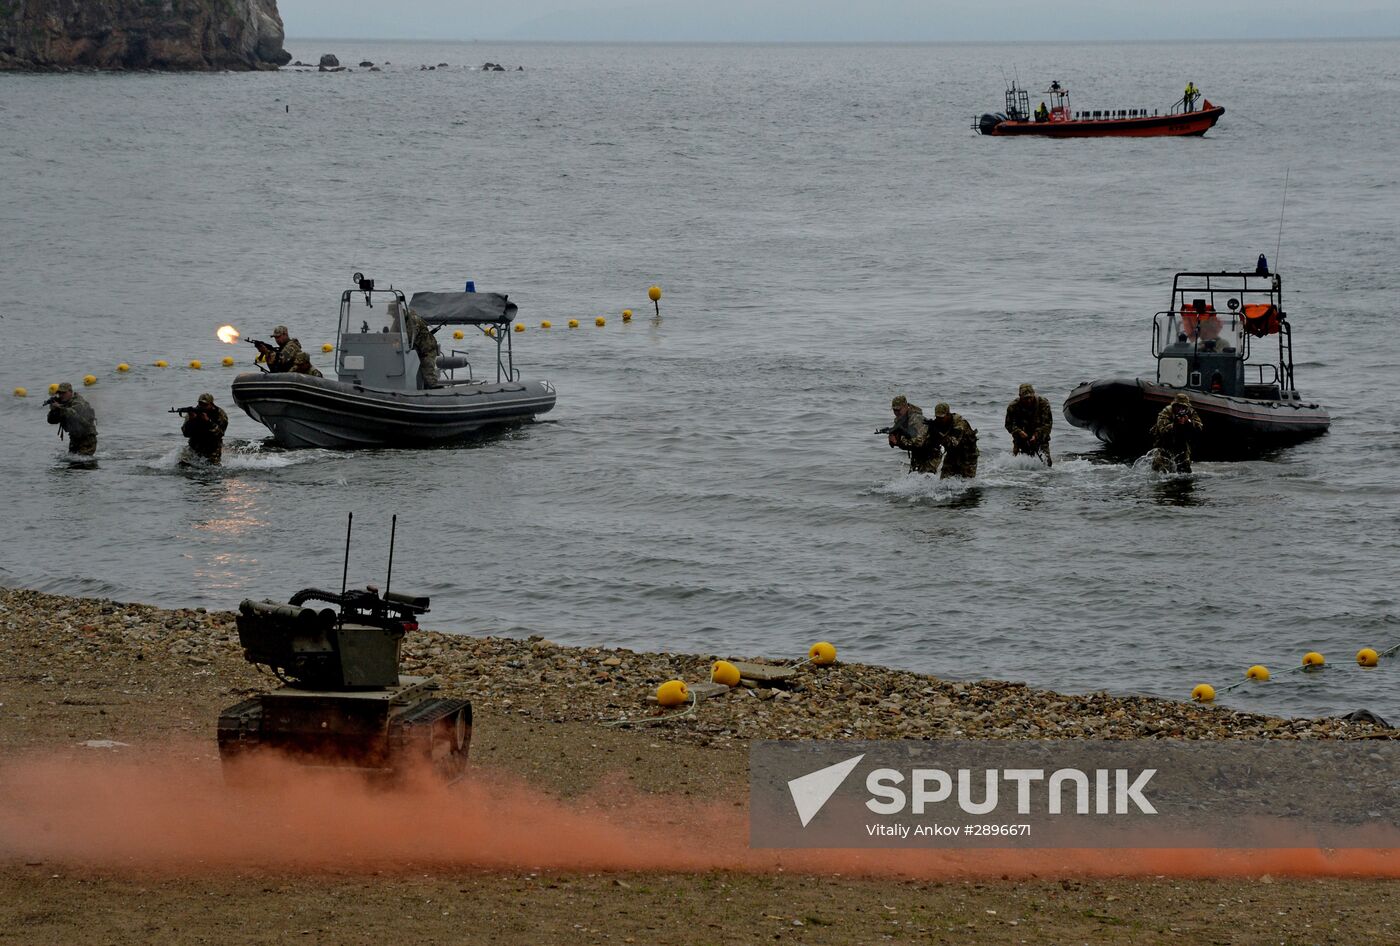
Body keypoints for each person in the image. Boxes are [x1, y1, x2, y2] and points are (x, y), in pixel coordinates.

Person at [887, 395, 941, 473]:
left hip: (931, 454)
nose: (897, 413)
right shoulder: (900, 420)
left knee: (927, 479)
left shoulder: (917, 419)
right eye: (894, 410)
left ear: (906, 406)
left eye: (899, 410)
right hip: (917, 454)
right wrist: (894, 441)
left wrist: (899, 441)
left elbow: (919, 442)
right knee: (913, 478)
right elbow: (907, 444)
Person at [1151, 394, 1204, 473]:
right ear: (1174, 405)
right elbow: (1163, 431)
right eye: (1178, 406)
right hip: (1164, 444)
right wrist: (1175, 424)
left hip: (1182, 444)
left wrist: (1188, 422)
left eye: (1184, 407)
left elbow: (1199, 428)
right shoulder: (1166, 412)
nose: (1181, 409)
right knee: (1159, 470)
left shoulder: (1190, 412)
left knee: (1185, 470)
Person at [1004, 383, 1053, 466]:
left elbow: (1047, 425)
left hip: (1041, 439)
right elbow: (1008, 425)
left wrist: (1036, 435)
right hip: (1021, 440)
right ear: (1020, 396)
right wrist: (1018, 431)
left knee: (1047, 464)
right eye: (1026, 398)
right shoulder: (1013, 407)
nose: (1029, 400)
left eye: (1030, 397)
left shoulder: (1043, 404)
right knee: (1018, 466)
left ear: (1034, 394)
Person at [45, 381, 97, 455]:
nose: (61, 395)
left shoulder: (79, 402)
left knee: (84, 463)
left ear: (70, 392)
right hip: (74, 438)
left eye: (64, 393)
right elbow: (51, 421)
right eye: (59, 393)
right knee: (72, 463)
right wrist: (54, 410)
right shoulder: (63, 403)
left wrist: (59, 407)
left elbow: (73, 414)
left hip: (86, 438)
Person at [929, 402, 978, 479]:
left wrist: (937, 431)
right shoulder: (938, 423)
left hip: (968, 456)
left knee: (967, 484)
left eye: (942, 418)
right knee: (944, 482)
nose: (939, 420)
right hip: (952, 454)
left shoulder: (959, 424)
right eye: (937, 417)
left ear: (948, 415)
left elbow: (953, 443)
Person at [181, 392, 229, 464]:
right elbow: (186, 434)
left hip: (212, 447)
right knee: (182, 463)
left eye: (205, 405)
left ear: (211, 404)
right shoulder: (193, 412)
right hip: (195, 445)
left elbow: (220, 434)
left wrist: (208, 421)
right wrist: (191, 420)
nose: (202, 406)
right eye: (200, 404)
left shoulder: (220, 414)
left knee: (212, 469)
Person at [404, 306, 441, 387]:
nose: (392, 316)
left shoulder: (413, 319)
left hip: (426, 347)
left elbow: (410, 335)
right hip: (418, 347)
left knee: (428, 369)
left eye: (393, 314)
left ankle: (433, 388)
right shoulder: (402, 319)